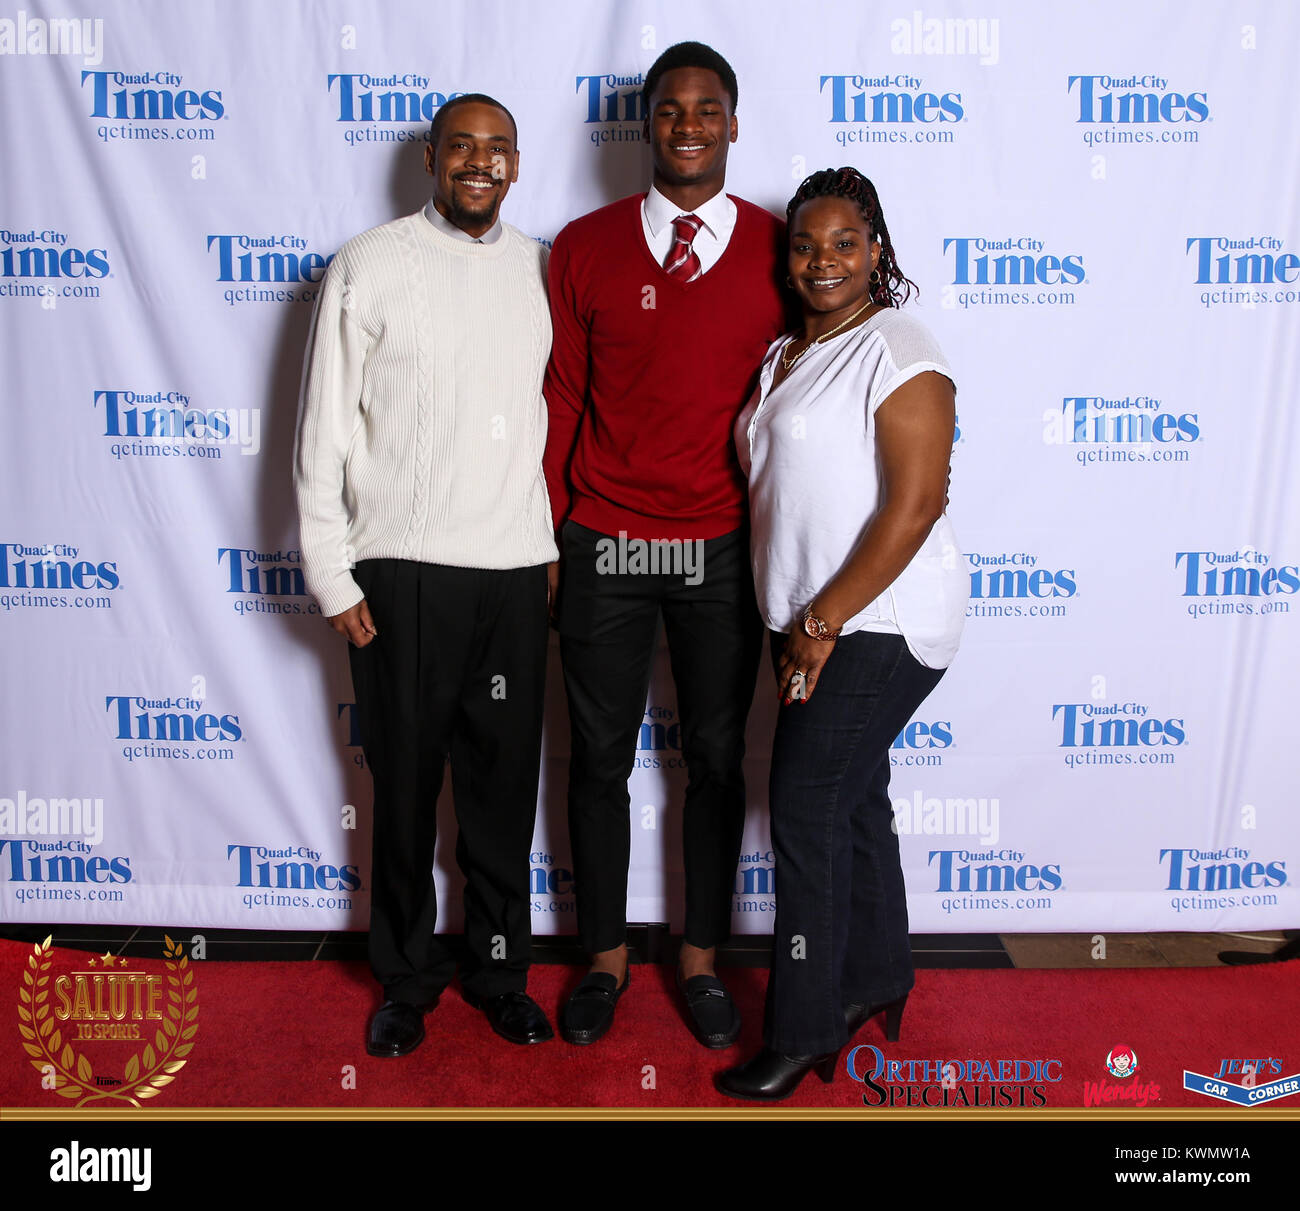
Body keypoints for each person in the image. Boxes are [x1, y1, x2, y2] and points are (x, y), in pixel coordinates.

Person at [294, 93, 557, 1057]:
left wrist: (553, 555)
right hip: (401, 573)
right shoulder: (370, 264)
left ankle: (497, 970)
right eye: (461, 148)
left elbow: (548, 422)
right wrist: (334, 574)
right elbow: (322, 431)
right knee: (404, 790)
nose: (478, 164)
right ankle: (405, 978)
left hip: (515, 572)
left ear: (517, 165)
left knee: (501, 794)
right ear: (431, 161)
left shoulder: (539, 269)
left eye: (496, 150)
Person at [543, 42, 786, 1048]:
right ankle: (601, 954)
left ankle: (699, 955)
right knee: (597, 757)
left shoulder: (780, 249)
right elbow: (561, 396)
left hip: (719, 546)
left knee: (718, 758)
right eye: (670, 109)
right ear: (648, 125)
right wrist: (549, 533)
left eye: (706, 108)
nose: (687, 125)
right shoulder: (585, 244)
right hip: (604, 534)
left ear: (731, 122)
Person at [718, 166, 968, 1099]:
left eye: (845, 244)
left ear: (878, 251)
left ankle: (804, 1028)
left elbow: (914, 505)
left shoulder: (898, 346)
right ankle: (875, 977)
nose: (823, 260)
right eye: (805, 244)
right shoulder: (788, 351)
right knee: (857, 801)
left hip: (879, 619)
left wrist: (822, 622)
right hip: (813, 618)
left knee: (807, 812)